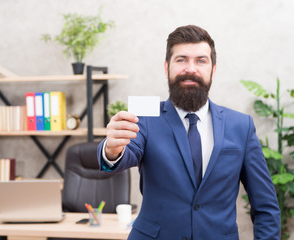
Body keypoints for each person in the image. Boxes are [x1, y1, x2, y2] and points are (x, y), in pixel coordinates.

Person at [97, 25, 280, 240]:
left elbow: (266, 206)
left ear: (213, 70)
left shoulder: (241, 125)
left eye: (201, 60)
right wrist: (111, 149)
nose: (190, 68)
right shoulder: (145, 115)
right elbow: (124, 153)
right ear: (167, 68)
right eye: (181, 59)